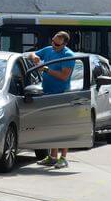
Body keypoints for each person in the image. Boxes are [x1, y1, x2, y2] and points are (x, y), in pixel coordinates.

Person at [27, 31, 76, 169]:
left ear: (64, 44)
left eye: (56, 43)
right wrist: (35, 57)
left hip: (61, 95)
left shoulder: (68, 56)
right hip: (47, 93)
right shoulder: (49, 49)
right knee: (51, 125)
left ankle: (63, 158)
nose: (53, 45)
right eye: (52, 41)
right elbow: (31, 54)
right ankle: (53, 157)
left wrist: (46, 69)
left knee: (62, 127)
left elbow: (64, 76)